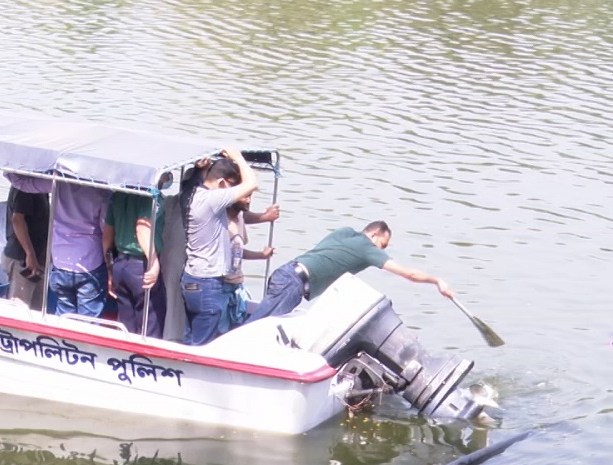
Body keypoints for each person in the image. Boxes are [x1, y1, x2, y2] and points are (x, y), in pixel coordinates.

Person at [246, 221, 455, 322]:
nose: (380, 251)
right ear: (374, 234)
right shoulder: (366, 248)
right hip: (293, 283)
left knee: (265, 322)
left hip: (287, 273)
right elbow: (410, 274)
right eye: (382, 244)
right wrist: (437, 280)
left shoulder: (344, 232)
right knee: (257, 326)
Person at [181, 148, 258, 345]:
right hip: (208, 282)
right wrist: (238, 157)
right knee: (204, 342)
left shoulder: (191, 193)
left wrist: (200, 169)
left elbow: (195, 179)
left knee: (192, 336)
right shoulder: (213, 199)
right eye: (230, 186)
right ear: (222, 183)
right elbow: (252, 184)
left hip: (191, 278)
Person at [103, 172, 172, 337]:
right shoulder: (152, 198)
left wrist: (110, 269)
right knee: (151, 324)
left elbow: (107, 236)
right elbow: (142, 229)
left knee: (126, 325)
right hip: (140, 266)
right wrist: (154, 263)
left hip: (120, 264)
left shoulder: (118, 195)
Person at [48, 181, 111, 317]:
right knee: (88, 320)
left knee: (64, 315)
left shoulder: (58, 183)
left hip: (60, 261)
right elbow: (105, 228)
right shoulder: (102, 191)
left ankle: (60, 338)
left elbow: (23, 183)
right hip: (89, 262)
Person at [218, 199, 278, 333]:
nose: (249, 200)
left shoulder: (238, 218)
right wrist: (264, 217)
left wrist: (261, 255)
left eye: (251, 195)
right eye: (245, 195)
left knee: (235, 325)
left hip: (236, 283)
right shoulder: (219, 221)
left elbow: (238, 251)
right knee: (219, 329)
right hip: (221, 284)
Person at [0, 174, 50, 310]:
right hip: (21, 258)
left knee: (37, 309)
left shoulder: (40, 187)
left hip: (37, 256)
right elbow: (17, 219)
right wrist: (30, 254)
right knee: (19, 307)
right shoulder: (25, 186)